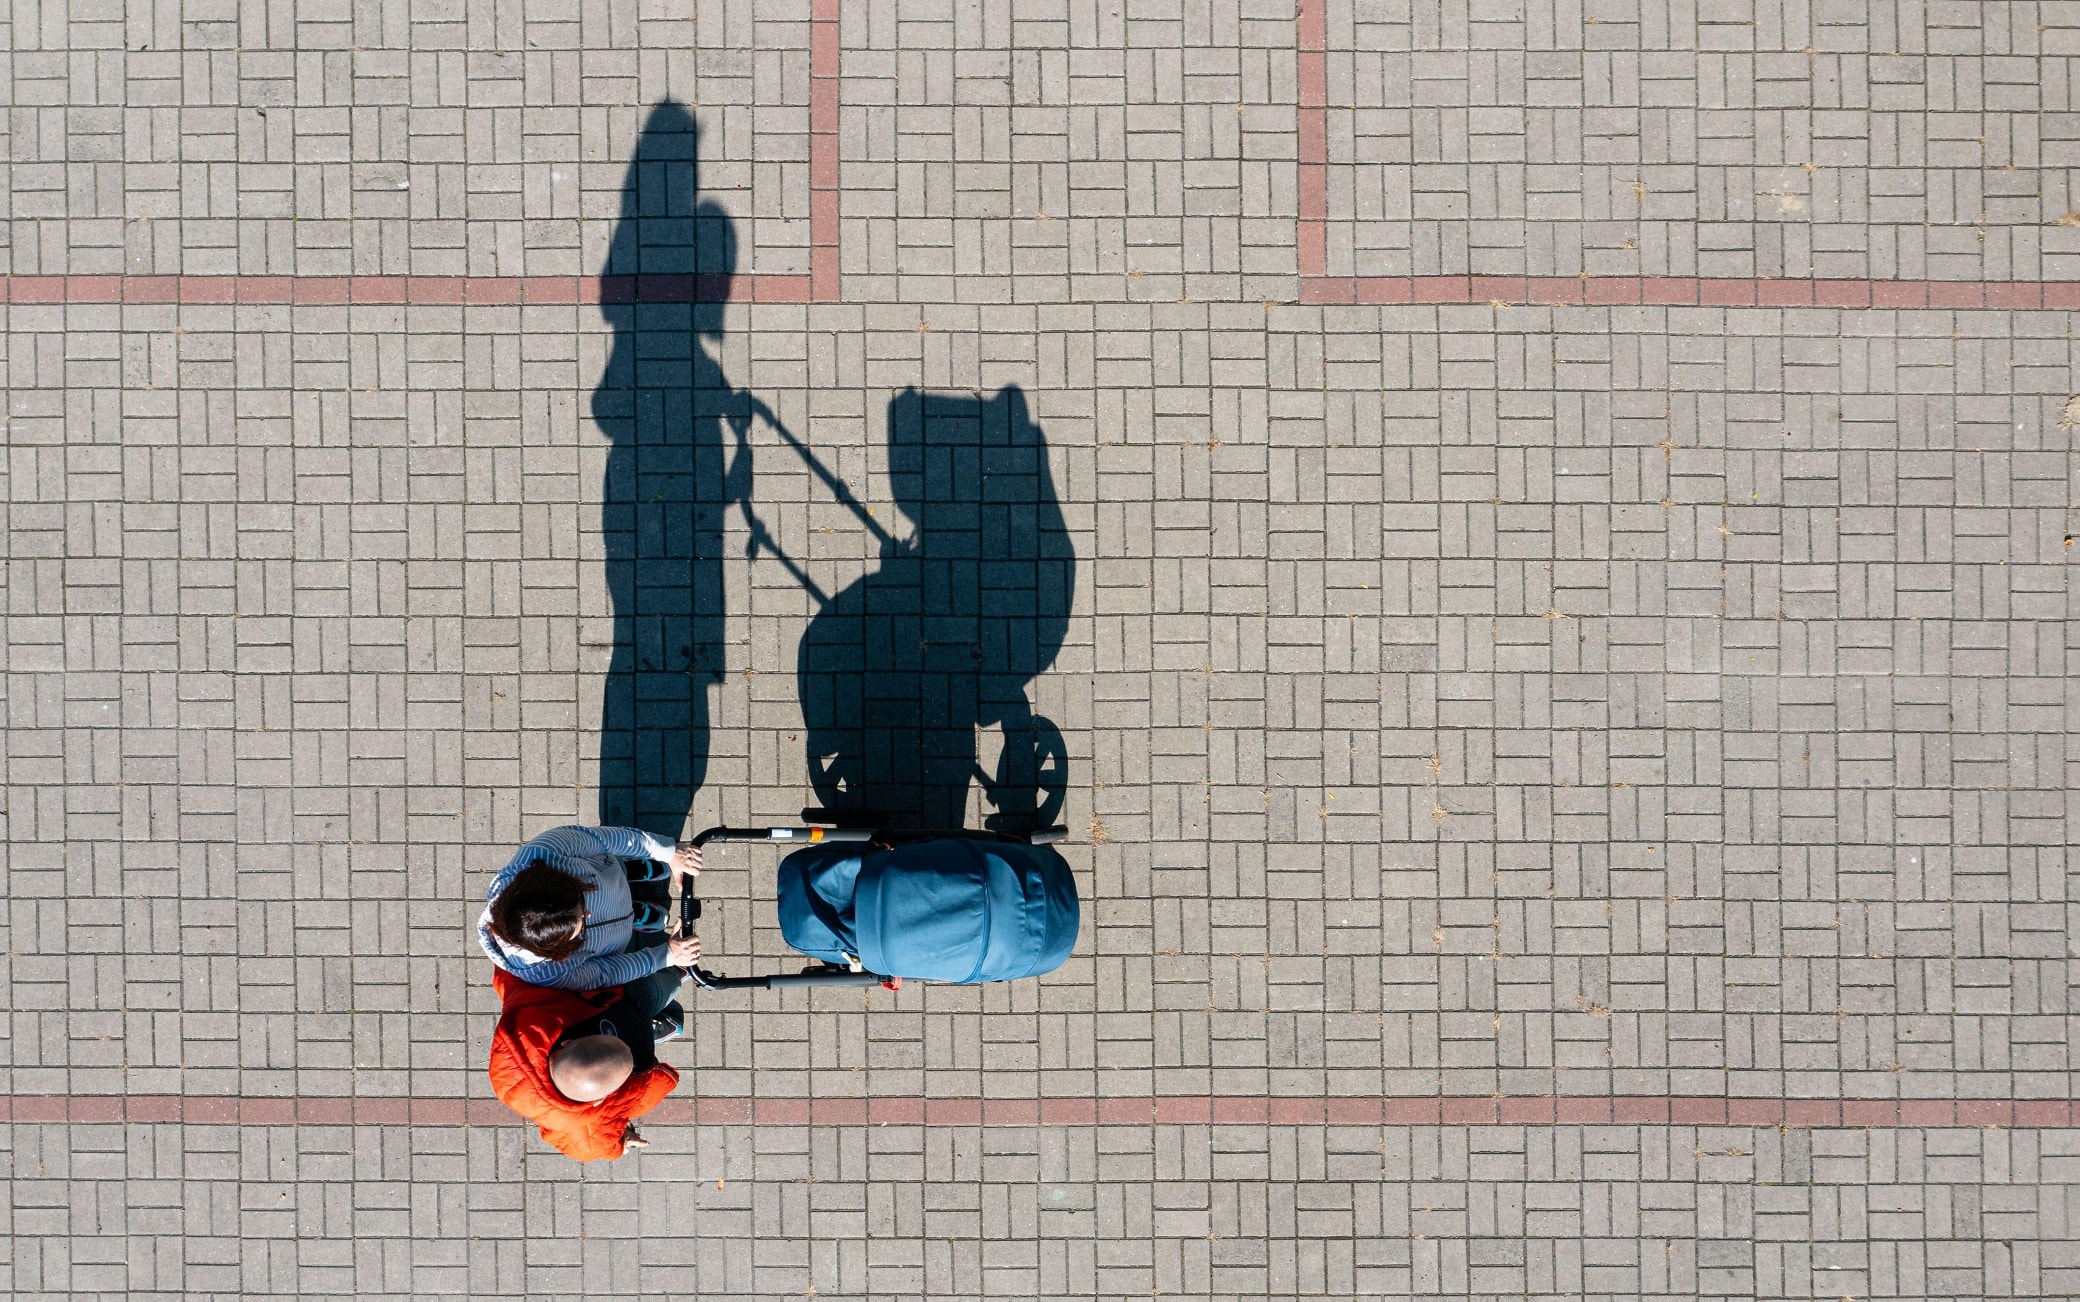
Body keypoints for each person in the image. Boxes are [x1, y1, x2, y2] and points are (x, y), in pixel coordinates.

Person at [477, 825, 702, 1024]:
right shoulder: (545, 972)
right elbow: (606, 972)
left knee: (620, 869)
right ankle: (633, 914)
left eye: (580, 902)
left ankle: (627, 873)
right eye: (581, 927)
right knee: (618, 900)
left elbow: (604, 839)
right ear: (555, 951)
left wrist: (669, 852)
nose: (589, 913)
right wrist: (667, 956)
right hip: (610, 910)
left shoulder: (545, 851)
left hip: (607, 874)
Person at [487, 968, 680, 1162]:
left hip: (615, 991)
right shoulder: (579, 1126)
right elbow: (595, 1145)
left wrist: (622, 1143)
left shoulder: (526, 1031)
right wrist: (619, 1144)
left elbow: (589, 1148)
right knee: (669, 982)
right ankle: (676, 975)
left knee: (666, 985)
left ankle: (674, 979)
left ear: (568, 1042)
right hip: (629, 1000)